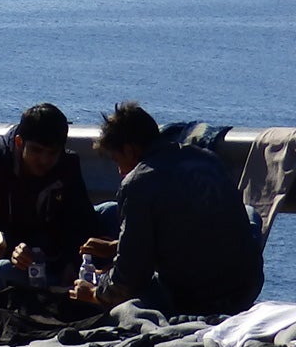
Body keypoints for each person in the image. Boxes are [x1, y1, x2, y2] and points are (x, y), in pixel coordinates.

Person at [72, 101, 263, 317]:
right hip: (246, 287)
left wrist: (97, 293)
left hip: (202, 300)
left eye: (117, 160)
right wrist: (118, 247)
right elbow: (190, 231)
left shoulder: (138, 183)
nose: (119, 170)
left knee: (135, 297)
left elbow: (129, 279)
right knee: (249, 215)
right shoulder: (207, 159)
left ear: (130, 150)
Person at [0, 102, 100, 279]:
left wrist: (70, 261)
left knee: (109, 211)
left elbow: (82, 222)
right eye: (36, 151)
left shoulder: (67, 164)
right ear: (19, 142)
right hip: (7, 261)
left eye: (52, 153)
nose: (44, 160)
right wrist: (10, 250)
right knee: (4, 270)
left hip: (52, 257)